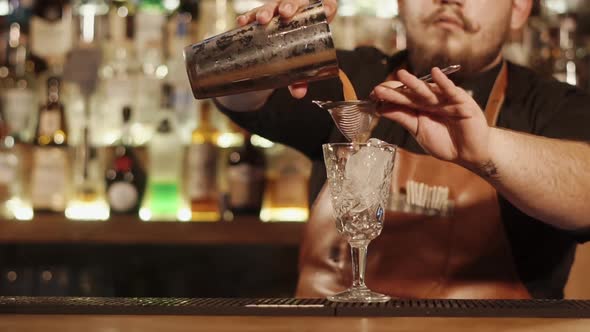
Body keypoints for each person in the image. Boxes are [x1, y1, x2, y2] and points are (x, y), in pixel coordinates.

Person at [215, 0, 590, 299]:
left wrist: (486, 147)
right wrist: (265, 46)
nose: (448, 0)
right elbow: (234, 94)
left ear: (519, 8)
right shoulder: (355, 80)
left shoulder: (550, 105)